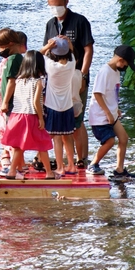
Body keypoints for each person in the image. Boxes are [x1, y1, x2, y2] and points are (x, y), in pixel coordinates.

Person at [44, 0, 94, 166]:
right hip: (56, 80)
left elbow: (88, 50)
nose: (55, 9)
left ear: (66, 2)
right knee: (61, 121)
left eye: (58, 5)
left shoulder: (80, 21)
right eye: (52, 6)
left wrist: (84, 75)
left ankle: (82, 159)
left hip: (76, 77)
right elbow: (46, 53)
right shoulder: (50, 24)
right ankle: (67, 159)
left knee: (77, 119)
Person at [1, 50, 54, 179]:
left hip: (17, 115)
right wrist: (41, 118)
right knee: (42, 144)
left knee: (19, 145)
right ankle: (49, 173)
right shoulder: (39, 81)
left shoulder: (19, 80)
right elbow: (36, 102)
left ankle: (12, 171)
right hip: (31, 115)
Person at [88, 45, 135, 180]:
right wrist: (108, 112)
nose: (125, 67)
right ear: (120, 60)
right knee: (109, 141)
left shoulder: (115, 72)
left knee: (124, 138)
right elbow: (97, 94)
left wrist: (116, 108)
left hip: (111, 113)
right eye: (126, 64)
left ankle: (119, 170)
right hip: (100, 115)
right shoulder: (105, 72)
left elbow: (112, 93)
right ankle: (93, 164)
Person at [40, 36, 78, 176]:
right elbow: (72, 52)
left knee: (57, 137)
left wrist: (48, 46)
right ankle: (72, 165)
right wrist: (68, 42)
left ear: (53, 53)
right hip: (67, 106)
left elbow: (37, 55)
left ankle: (60, 167)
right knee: (68, 136)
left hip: (53, 107)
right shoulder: (71, 64)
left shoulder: (51, 66)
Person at [0, 29, 27, 170]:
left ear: (10, 44)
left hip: (12, 103)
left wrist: (5, 102)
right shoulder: (12, 59)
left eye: (1, 47)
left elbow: (12, 82)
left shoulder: (14, 59)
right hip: (12, 103)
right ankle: (20, 164)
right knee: (13, 133)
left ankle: (17, 166)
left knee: (13, 134)